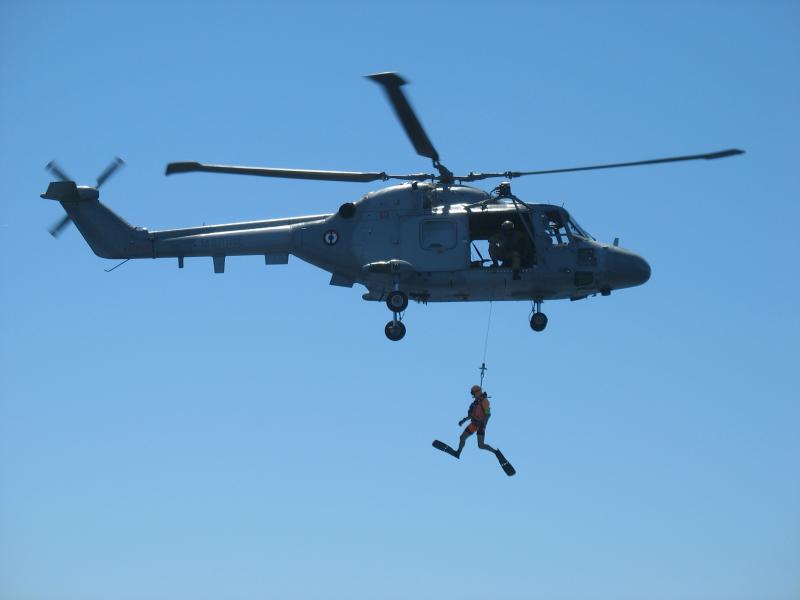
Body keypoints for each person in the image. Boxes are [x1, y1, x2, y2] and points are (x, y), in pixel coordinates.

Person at [452, 384, 498, 458]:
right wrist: (463, 421)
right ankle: (458, 453)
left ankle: (496, 452)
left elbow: (488, 414)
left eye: (473, 394)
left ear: (477, 392)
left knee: (481, 445)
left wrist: (483, 425)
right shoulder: (474, 403)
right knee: (462, 437)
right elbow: (471, 415)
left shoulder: (485, 401)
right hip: (474, 424)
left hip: (481, 425)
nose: (473, 396)